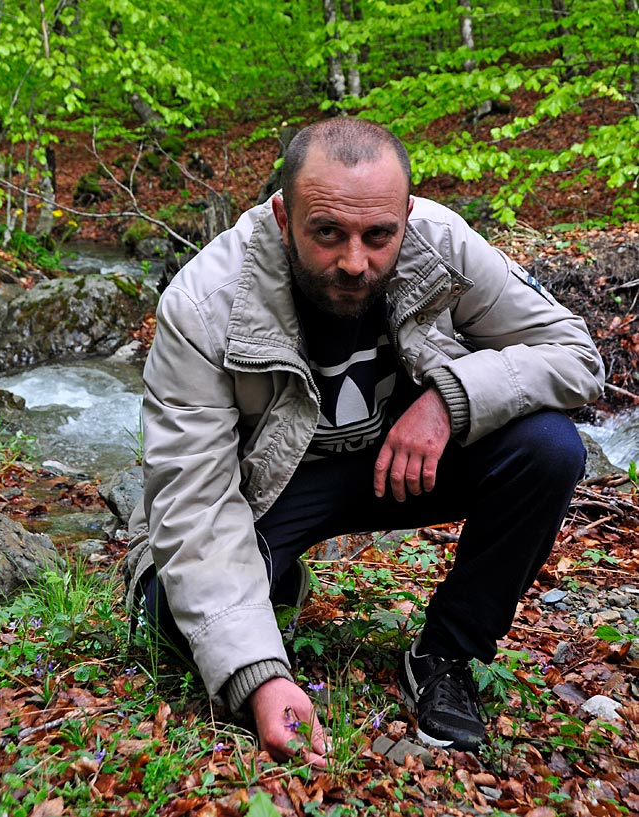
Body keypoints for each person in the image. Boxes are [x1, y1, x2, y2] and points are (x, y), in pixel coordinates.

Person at [124, 117, 604, 765]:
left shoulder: (441, 244)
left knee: (549, 447)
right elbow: (194, 500)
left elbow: (576, 355)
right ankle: (272, 588)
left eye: (379, 235)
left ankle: (447, 653)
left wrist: (452, 398)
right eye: (327, 233)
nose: (355, 261)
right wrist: (261, 676)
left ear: (406, 214)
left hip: (406, 459)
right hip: (271, 486)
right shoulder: (205, 302)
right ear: (281, 214)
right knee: (168, 623)